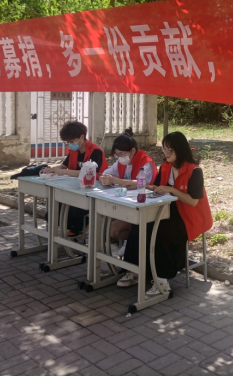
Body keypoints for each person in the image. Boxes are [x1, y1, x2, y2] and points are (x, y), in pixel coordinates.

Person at [117, 131, 213, 295]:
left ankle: (162, 280)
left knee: (160, 232)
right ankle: (134, 270)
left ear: (180, 149)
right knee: (140, 226)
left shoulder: (194, 170)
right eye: (164, 149)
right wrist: (139, 185)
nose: (166, 153)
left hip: (189, 217)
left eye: (170, 150)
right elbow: (156, 187)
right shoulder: (166, 167)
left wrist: (171, 190)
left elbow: (193, 201)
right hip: (167, 211)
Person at [41, 121, 107, 236]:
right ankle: (76, 228)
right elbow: (64, 166)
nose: (70, 144)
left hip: (92, 191)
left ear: (81, 137)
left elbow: (90, 174)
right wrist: (51, 169)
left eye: (72, 141)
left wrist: (62, 171)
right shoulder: (74, 151)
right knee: (52, 214)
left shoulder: (95, 151)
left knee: (72, 215)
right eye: (68, 142)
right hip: (75, 189)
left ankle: (81, 226)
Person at [100, 128, 158, 241]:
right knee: (102, 219)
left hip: (143, 205)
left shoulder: (146, 162)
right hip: (126, 203)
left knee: (112, 229)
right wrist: (105, 177)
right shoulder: (121, 162)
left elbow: (141, 183)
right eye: (117, 155)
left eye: (122, 154)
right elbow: (108, 172)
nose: (119, 157)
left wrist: (115, 180)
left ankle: (135, 241)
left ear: (132, 151)